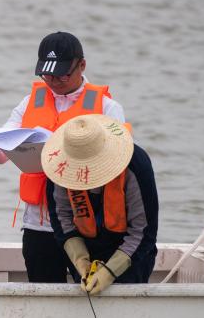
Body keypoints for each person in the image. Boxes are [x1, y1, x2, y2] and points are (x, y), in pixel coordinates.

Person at [0, 31, 126, 283]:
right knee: (41, 296)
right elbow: (2, 155)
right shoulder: (28, 102)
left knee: (91, 294)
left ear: (82, 65)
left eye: (62, 73)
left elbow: (119, 163)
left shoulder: (108, 107)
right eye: (47, 74)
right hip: (38, 226)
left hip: (86, 223)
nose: (54, 81)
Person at [44, 114, 158, 294]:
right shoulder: (58, 166)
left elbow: (143, 231)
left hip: (132, 252)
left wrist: (110, 272)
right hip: (85, 250)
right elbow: (62, 219)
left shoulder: (136, 164)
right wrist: (80, 261)